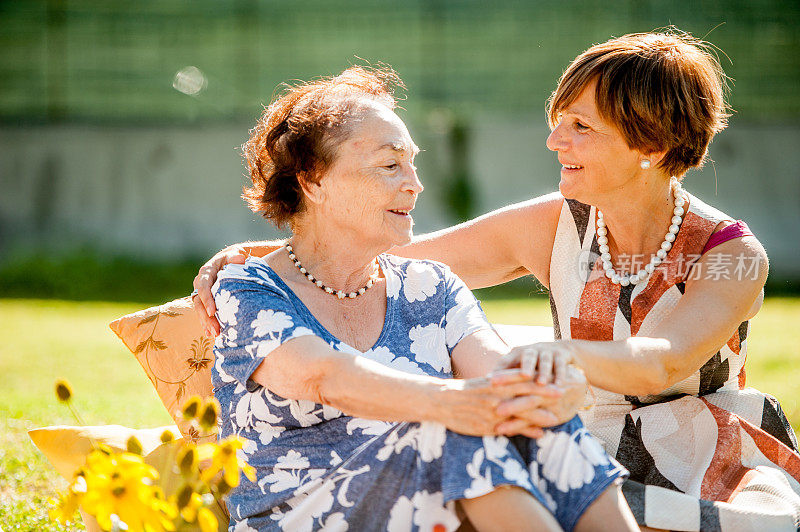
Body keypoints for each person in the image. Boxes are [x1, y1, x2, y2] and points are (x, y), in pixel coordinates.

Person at [195, 31, 800, 531]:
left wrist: (541, 360)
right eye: (559, 121)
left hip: (703, 445)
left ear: (651, 142)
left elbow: (659, 364)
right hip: (586, 430)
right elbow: (396, 256)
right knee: (520, 438)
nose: (554, 140)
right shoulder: (554, 224)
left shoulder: (733, 254)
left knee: (529, 439)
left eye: (581, 127)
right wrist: (276, 246)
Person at [207, 66, 636, 531]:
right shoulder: (247, 290)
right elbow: (324, 376)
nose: (415, 183)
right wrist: (455, 405)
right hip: (299, 515)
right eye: (390, 165)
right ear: (312, 182)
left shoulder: (431, 285)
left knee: (538, 415)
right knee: (455, 429)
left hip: (427, 506)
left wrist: (546, 388)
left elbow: (497, 371)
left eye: (412, 163)